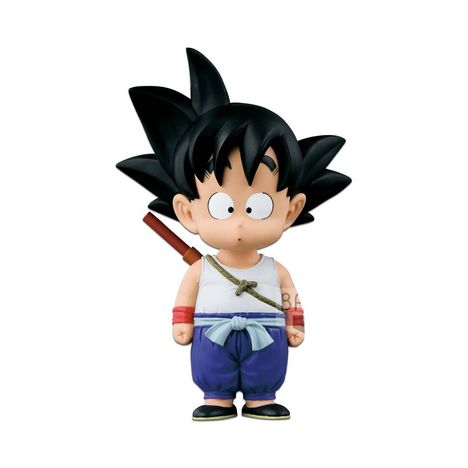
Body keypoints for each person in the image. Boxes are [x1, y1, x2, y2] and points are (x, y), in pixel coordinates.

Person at [117, 48, 351, 420]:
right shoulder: (201, 269)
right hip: (212, 334)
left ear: (291, 209)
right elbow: (186, 296)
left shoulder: (276, 269)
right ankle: (217, 397)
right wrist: (181, 321)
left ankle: (261, 397)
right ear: (187, 211)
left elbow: (290, 297)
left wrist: (295, 324)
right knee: (212, 367)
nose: (239, 224)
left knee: (266, 368)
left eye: (258, 206)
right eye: (222, 207)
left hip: (267, 334)